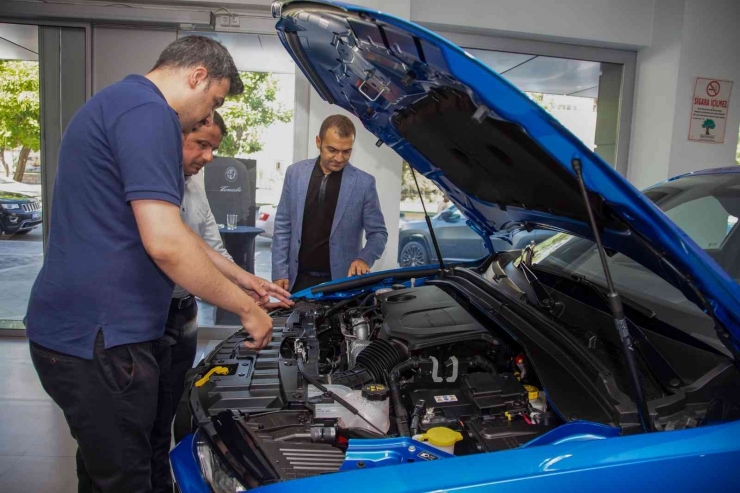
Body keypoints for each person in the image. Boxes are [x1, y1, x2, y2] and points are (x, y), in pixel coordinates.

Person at [25, 36, 287, 493]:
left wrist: (245, 281)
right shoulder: (150, 114)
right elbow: (165, 244)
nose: (208, 115)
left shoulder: (122, 102)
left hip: (87, 334)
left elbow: (177, 231)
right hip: (102, 339)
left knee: (108, 469)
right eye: (214, 102)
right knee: (128, 479)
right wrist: (247, 312)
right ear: (197, 76)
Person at [168, 111, 291, 414]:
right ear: (176, 137)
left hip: (185, 314)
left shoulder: (194, 184)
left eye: (213, 149)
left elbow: (211, 249)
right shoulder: (153, 188)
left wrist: (249, 284)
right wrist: (243, 306)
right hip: (149, 319)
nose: (209, 158)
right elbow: (177, 252)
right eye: (201, 144)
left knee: (169, 408)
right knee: (135, 423)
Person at [272, 114, 388, 293]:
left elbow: (378, 233)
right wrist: (280, 271)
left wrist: (364, 259)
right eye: (332, 150)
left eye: (346, 151)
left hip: (342, 282)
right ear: (318, 142)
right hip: (297, 280)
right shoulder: (294, 173)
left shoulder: (364, 183)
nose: (339, 158)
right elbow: (282, 226)